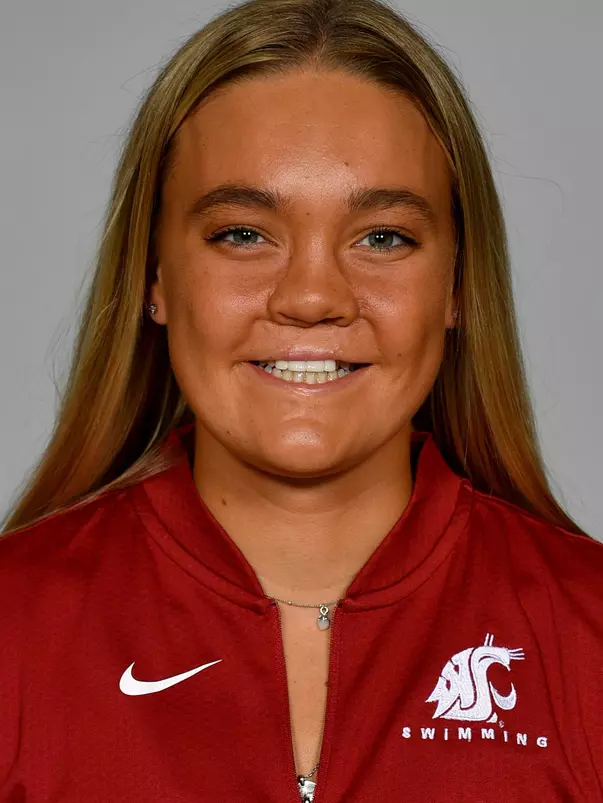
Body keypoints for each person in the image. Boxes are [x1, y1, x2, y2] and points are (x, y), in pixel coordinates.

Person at [1, 0, 601, 799]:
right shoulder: (14, 629)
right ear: (155, 279)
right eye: (242, 233)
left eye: (382, 236)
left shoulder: (586, 634)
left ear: (457, 285)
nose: (313, 296)